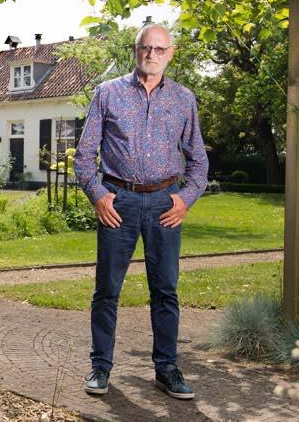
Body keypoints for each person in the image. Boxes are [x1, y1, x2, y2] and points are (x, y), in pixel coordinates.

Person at [73, 23, 209, 400]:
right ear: (136, 51)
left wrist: (186, 198)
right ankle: (100, 368)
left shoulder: (184, 99)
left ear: (171, 53)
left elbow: (198, 160)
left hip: (166, 204)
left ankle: (166, 369)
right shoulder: (107, 93)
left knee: (165, 290)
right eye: (146, 48)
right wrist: (99, 195)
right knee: (107, 291)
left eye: (159, 49)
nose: (152, 54)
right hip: (119, 202)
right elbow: (85, 156)